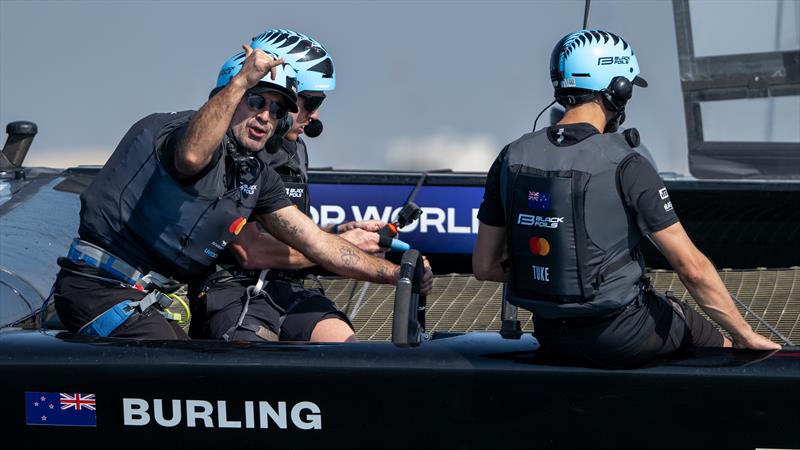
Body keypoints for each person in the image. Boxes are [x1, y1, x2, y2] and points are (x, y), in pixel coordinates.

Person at [53, 43, 432, 340]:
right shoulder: (180, 132)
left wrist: (397, 273)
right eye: (256, 101)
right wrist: (241, 82)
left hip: (142, 300)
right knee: (191, 387)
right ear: (229, 96)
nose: (266, 116)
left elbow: (320, 245)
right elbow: (190, 157)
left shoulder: (257, 174)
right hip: (97, 289)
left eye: (277, 109)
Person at [472, 29, 779, 368]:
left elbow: (484, 267)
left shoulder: (510, 156)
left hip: (550, 335)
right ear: (618, 89)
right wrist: (745, 335)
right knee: (696, 326)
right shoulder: (627, 163)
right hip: (623, 338)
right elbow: (692, 269)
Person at [189, 29, 389, 343]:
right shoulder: (226, 148)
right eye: (309, 102)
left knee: (351, 356)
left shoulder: (295, 150)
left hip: (295, 289)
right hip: (234, 290)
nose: (315, 114)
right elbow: (249, 250)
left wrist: (339, 234)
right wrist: (341, 246)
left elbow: (289, 230)